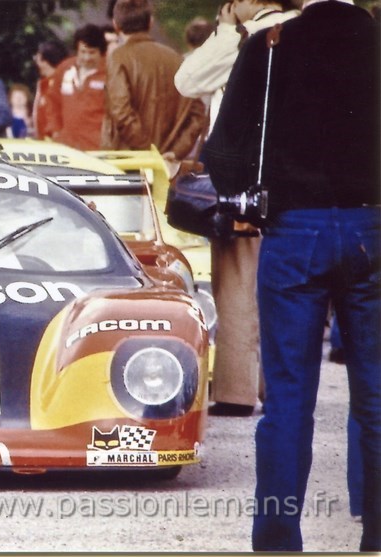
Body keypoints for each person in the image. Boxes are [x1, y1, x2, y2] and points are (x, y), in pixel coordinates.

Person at [203, 0, 380, 550]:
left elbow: (223, 151)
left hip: (294, 228)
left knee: (287, 402)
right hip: (372, 227)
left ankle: (278, 538)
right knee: (376, 396)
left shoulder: (272, 43)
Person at [174, 0, 299, 417]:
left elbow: (187, 80)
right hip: (293, 179)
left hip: (241, 178)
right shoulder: (304, 31)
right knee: (282, 288)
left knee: (236, 283)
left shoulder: (250, 38)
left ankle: (236, 389)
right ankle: (275, 385)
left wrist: (226, 30)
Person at [102, 0, 206, 161]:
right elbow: (198, 114)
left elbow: (121, 113)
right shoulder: (176, 58)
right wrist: (176, 151)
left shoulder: (118, 58)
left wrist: (149, 151)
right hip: (167, 162)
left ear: (116, 24)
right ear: (150, 22)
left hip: (127, 160)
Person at [42, 24, 108, 150]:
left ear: (101, 52)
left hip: (97, 148)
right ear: (76, 50)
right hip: (66, 146)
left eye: (92, 52)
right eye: (83, 52)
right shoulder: (65, 68)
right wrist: (55, 130)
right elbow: (52, 101)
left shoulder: (110, 73)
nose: (87, 58)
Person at [30, 39, 67, 140]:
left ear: (45, 61)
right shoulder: (43, 84)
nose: (36, 62)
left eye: (37, 58)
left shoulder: (63, 84)